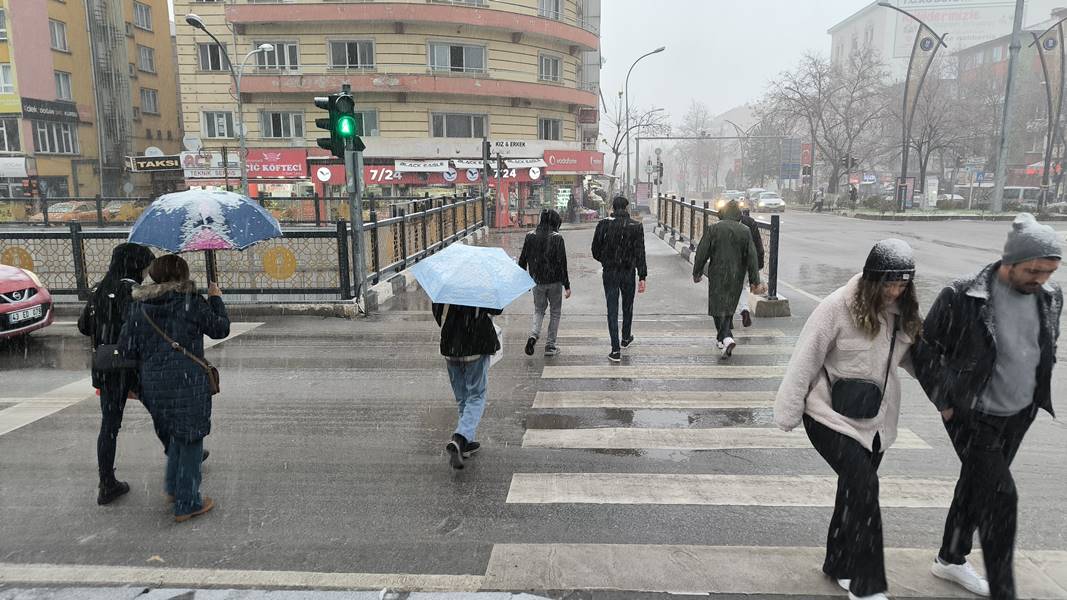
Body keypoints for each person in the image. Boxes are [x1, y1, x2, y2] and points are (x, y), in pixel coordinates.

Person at [912, 213, 1062, 599]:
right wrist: (944, 400)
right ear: (1009, 262)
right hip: (971, 413)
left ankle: (950, 558)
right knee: (1002, 496)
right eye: (1033, 270)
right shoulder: (963, 296)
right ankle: (1004, 589)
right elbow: (924, 348)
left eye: (1048, 271)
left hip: (1018, 415)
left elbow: (1044, 346)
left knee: (976, 485)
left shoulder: (1050, 298)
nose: (1041, 279)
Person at [775, 239, 922, 600]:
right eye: (888, 284)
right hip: (827, 417)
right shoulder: (836, 308)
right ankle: (867, 585)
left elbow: (919, 361)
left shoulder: (902, 313)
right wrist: (788, 411)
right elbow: (805, 358)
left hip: (875, 423)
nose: (894, 291)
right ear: (872, 280)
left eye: (901, 285)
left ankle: (839, 564)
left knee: (853, 491)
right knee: (865, 489)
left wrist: (951, 396)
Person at [119, 255, 230, 523]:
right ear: (183, 275)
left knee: (175, 434)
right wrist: (215, 297)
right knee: (190, 438)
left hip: (153, 386)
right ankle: (187, 502)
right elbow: (220, 329)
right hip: (187, 380)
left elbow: (125, 349)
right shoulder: (191, 302)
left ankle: (172, 488)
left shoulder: (139, 307)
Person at [78, 243, 160, 505]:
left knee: (109, 426)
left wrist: (105, 327)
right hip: (131, 365)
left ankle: (106, 482)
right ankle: (183, 453)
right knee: (160, 410)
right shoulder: (133, 291)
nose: (147, 271)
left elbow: (83, 327)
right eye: (146, 265)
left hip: (106, 367)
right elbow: (143, 328)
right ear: (136, 265)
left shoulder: (99, 290)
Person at [432, 302, 502, 470]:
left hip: (450, 346)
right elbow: (496, 309)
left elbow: (437, 312)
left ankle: (465, 444)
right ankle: (460, 437)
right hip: (474, 344)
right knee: (476, 396)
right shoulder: (479, 283)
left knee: (463, 398)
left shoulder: (448, 283)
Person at [692, 200, 764, 358]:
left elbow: (702, 252)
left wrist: (697, 271)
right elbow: (752, 257)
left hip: (717, 273)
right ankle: (722, 339)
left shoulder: (713, 229)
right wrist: (754, 280)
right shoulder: (745, 230)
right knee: (729, 305)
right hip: (737, 274)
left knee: (717, 307)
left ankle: (726, 337)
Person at [591, 196, 647, 362]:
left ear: (613, 208)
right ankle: (625, 337)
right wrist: (642, 275)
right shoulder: (636, 226)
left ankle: (615, 349)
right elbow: (640, 253)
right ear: (627, 208)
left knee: (612, 309)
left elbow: (595, 250)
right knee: (628, 306)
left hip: (610, 272)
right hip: (628, 272)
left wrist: (607, 260)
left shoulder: (604, 225)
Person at [518, 209, 571, 357]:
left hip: (537, 281)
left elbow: (522, 260)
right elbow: (562, 264)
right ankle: (550, 345)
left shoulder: (530, 236)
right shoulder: (557, 238)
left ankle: (533, 336)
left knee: (539, 310)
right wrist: (566, 285)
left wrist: (523, 282)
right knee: (555, 312)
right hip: (554, 282)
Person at [735, 207, 766, 328]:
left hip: (735, 261)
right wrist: (759, 264)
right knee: (742, 287)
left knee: (733, 288)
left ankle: (740, 310)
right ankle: (744, 310)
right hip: (750, 260)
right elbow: (758, 244)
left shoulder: (728, 223)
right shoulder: (751, 223)